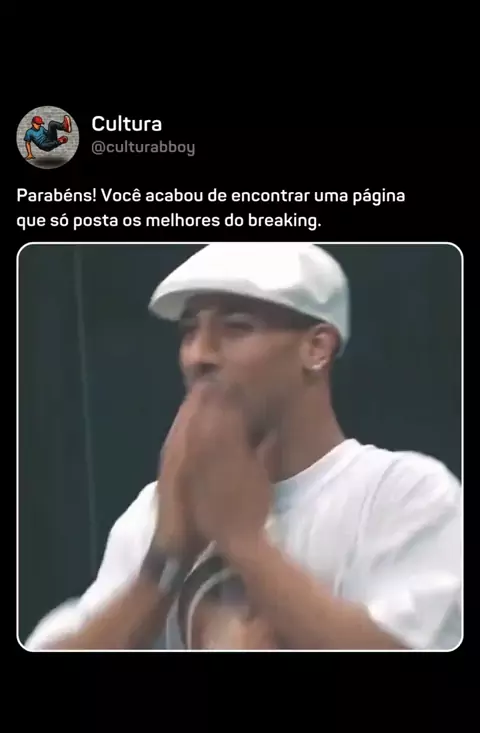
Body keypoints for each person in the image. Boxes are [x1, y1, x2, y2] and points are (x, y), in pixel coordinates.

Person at [23, 243, 462, 652]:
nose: (198, 355)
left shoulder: (405, 493)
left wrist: (244, 542)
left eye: (236, 327)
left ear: (317, 347)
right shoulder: (156, 511)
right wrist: (161, 568)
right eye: (189, 331)